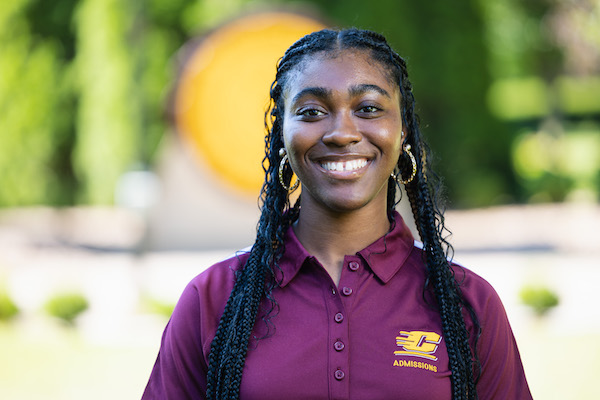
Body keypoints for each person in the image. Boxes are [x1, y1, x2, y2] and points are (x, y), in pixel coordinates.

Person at [142, 28, 532, 400]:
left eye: (368, 108)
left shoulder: (467, 302)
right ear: (283, 135)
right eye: (312, 112)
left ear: (403, 132)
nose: (342, 132)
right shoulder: (213, 299)